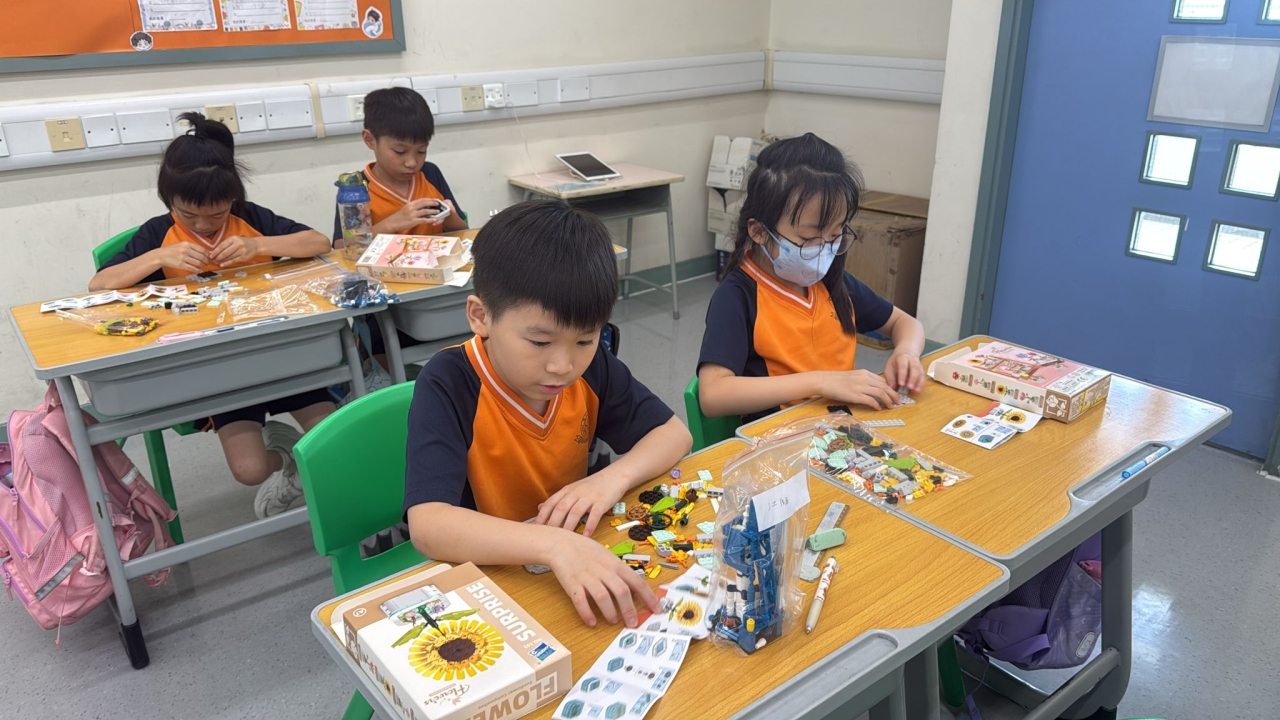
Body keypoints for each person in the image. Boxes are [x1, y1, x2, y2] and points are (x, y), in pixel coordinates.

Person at [404, 200, 691, 628]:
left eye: (585, 340)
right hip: (490, 571)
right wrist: (553, 544)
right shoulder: (449, 382)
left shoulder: (591, 368)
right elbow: (428, 525)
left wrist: (609, 479)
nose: (563, 365)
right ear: (481, 317)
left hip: (569, 561)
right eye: (540, 343)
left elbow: (674, 435)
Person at [90, 112, 334, 519]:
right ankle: (287, 459)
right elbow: (99, 284)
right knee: (249, 470)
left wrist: (259, 246)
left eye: (217, 214)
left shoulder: (249, 219)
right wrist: (157, 257)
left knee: (334, 439)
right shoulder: (158, 234)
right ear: (170, 201)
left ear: (232, 199)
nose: (204, 225)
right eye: (189, 216)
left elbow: (319, 242)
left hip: (279, 353)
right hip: (220, 371)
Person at [697, 133, 926, 422]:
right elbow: (713, 395)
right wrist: (820, 381)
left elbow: (905, 323)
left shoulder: (833, 283)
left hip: (842, 430)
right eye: (808, 237)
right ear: (758, 231)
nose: (824, 249)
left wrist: (906, 353)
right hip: (781, 437)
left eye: (835, 234)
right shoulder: (738, 296)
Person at [334, 86, 469, 382]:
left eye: (421, 151)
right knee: (386, 364)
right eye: (400, 151)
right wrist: (394, 222)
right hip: (387, 303)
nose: (412, 162)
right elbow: (343, 250)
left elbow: (461, 232)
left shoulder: (429, 174)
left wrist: (448, 214)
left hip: (435, 296)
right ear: (370, 139)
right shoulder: (356, 190)